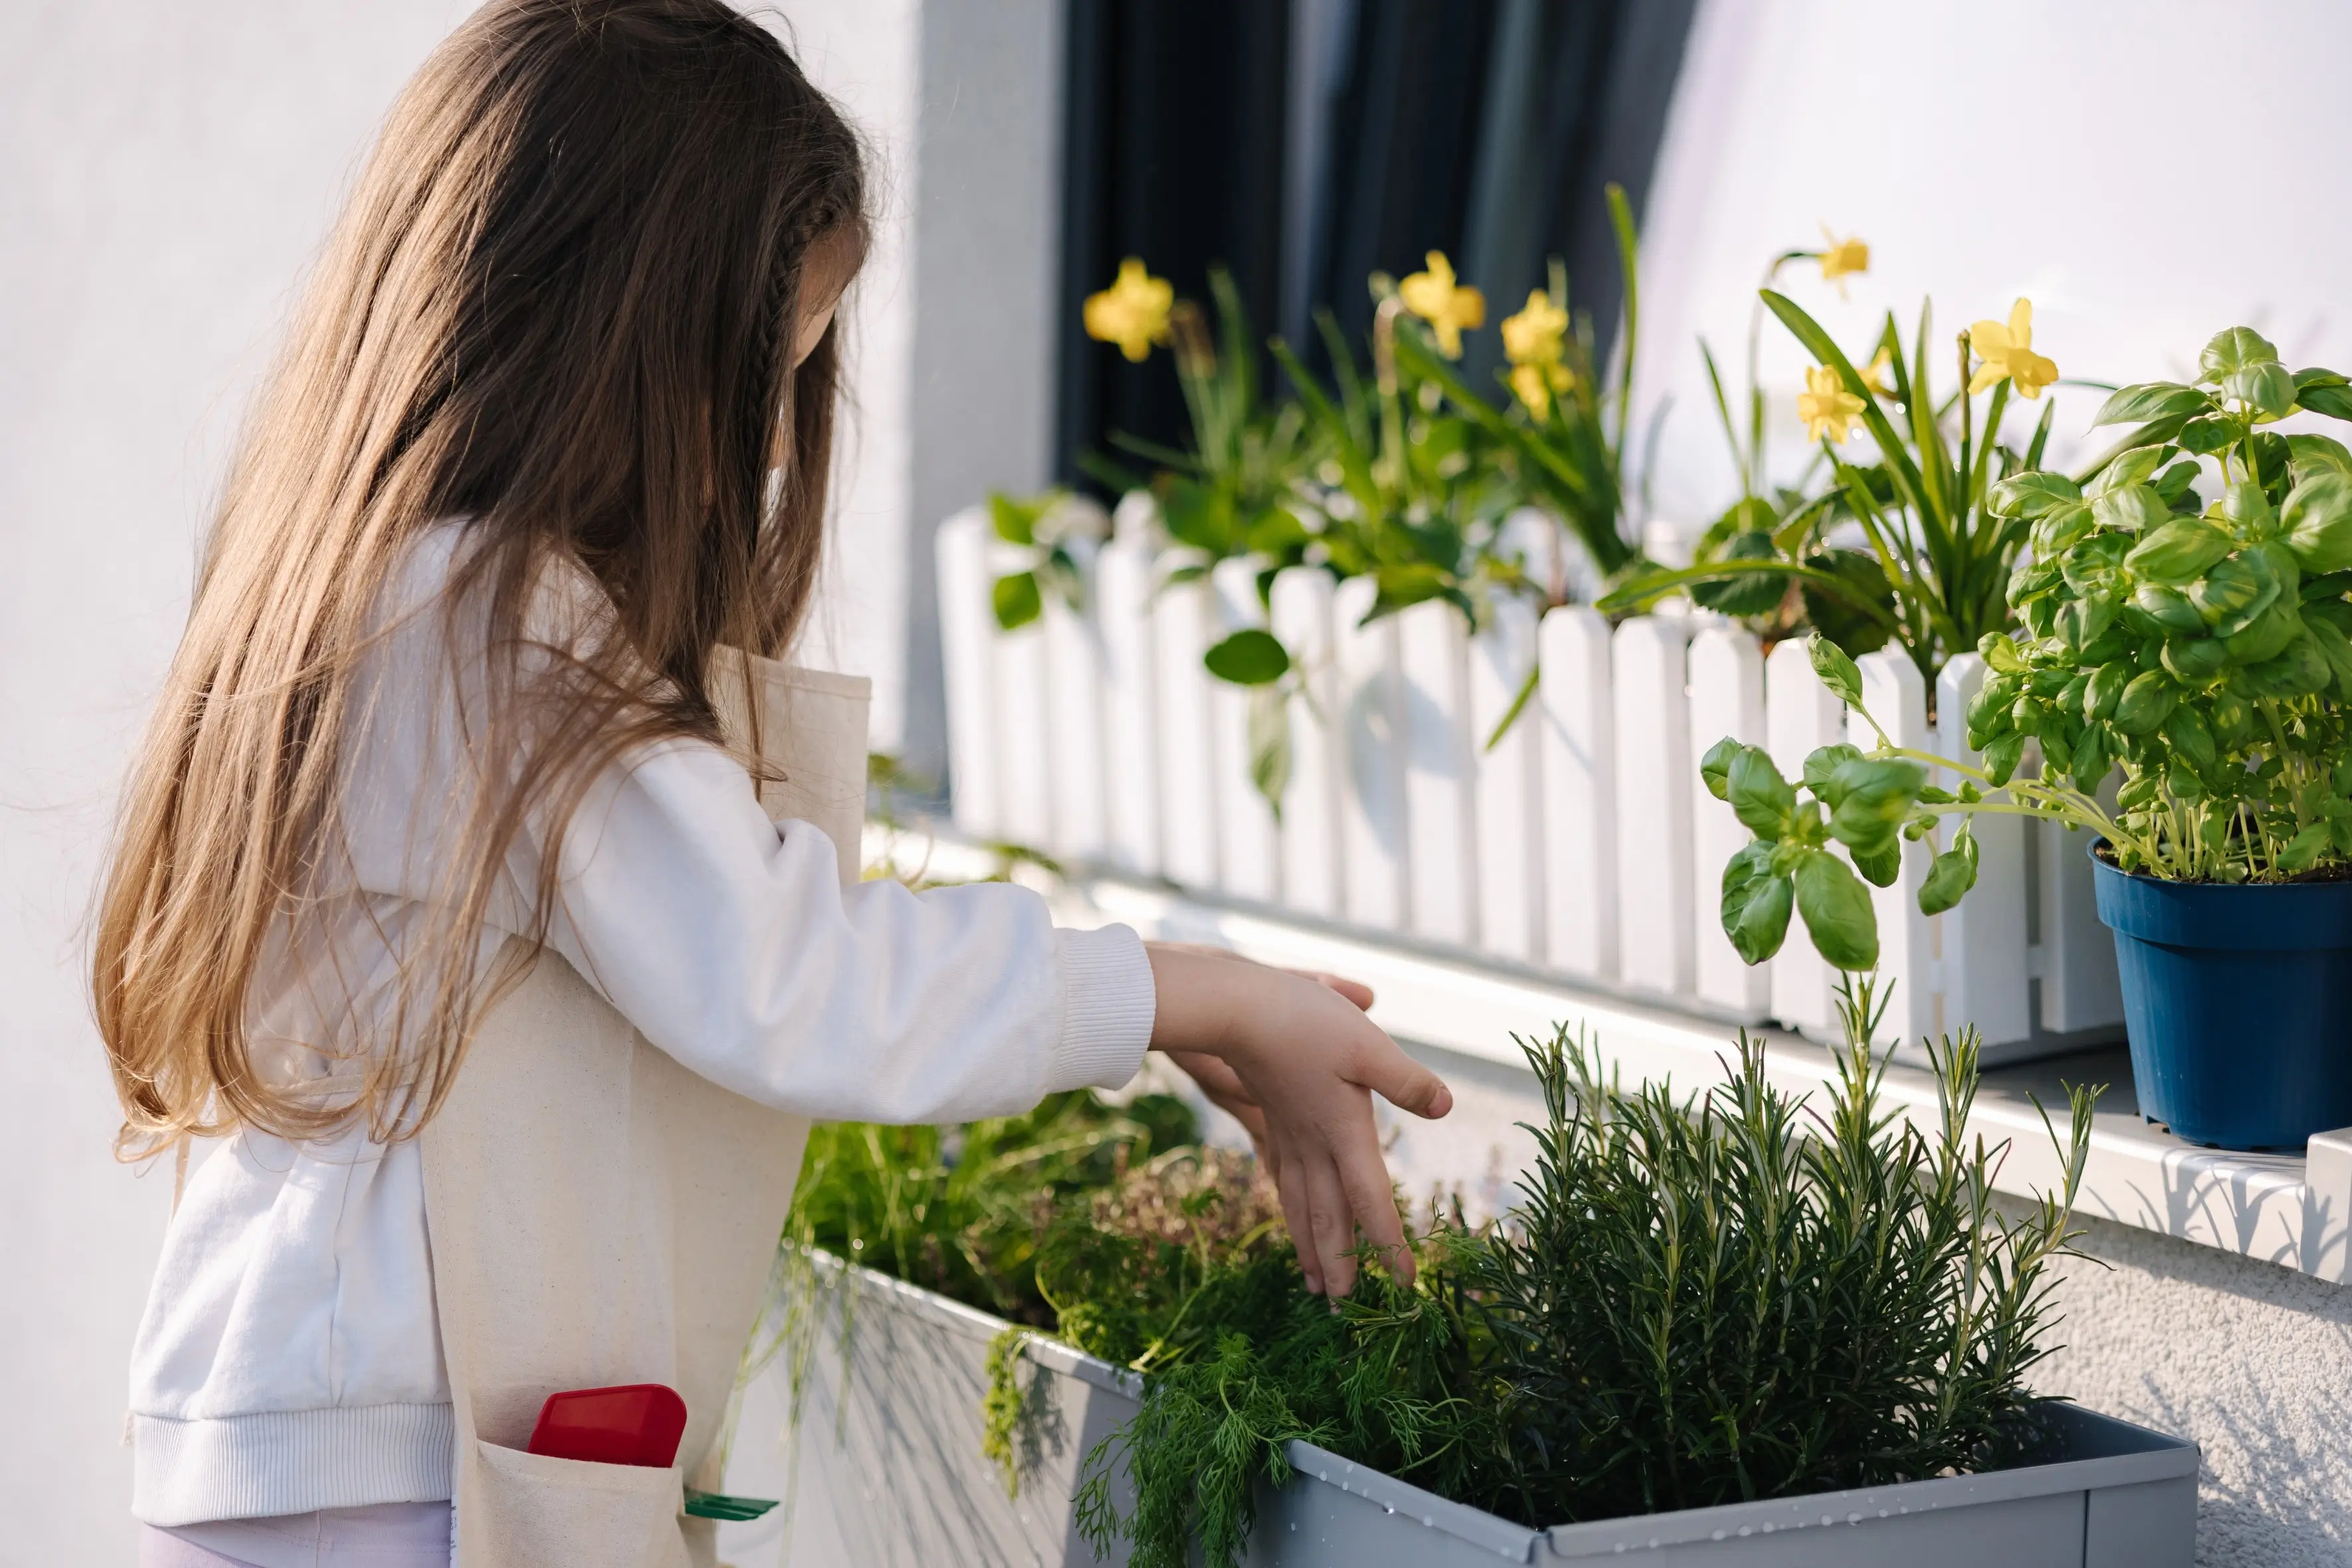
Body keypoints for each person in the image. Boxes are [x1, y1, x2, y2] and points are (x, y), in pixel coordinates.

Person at [92, 3, 1452, 1564]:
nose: (752, 458)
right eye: (765, 378)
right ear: (635, 343)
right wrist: (1184, 991)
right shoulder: (501, 631)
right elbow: (798, 976)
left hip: (291, 1420)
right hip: (394, 1463)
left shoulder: (360, 579)